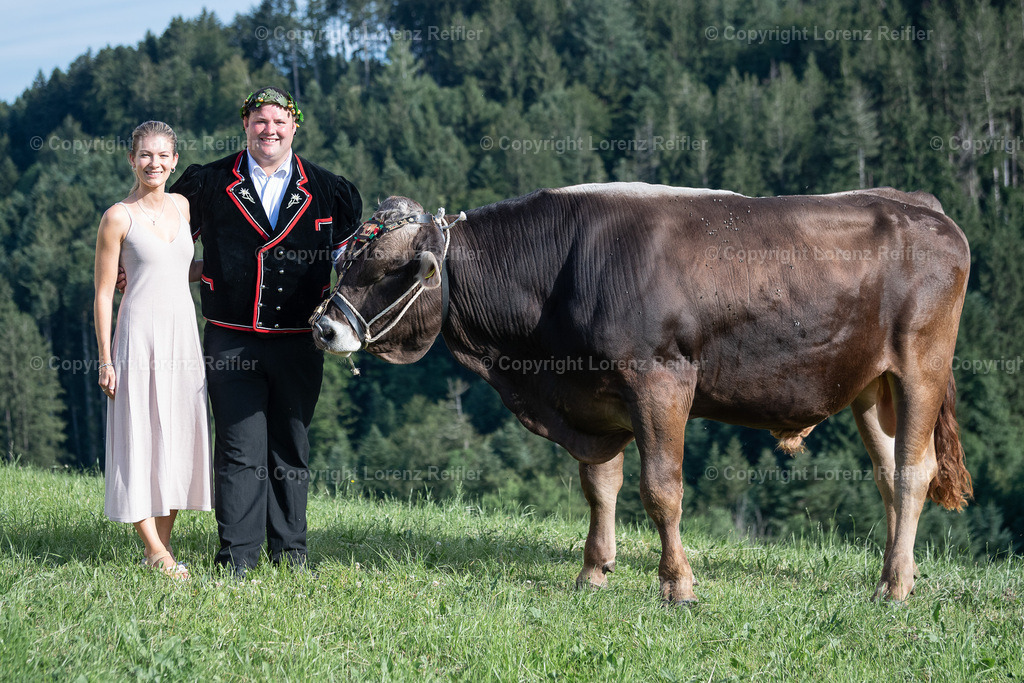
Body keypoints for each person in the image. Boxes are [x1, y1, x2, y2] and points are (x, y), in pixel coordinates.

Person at [169, 87, 362, 577]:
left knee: (290, 447)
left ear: (295, 127)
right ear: (245, 126)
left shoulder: (329, 189)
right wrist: (134, 268)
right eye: (259, 121)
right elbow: (165, 242)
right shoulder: (208, 182)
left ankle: (291, 556)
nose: (269, 130)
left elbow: (350, 264)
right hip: (231, 338)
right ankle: (236, 558)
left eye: (278, 122)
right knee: (238, 448)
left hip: (301, 340)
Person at [94, 120, 213, 579]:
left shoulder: (183, 207)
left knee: (179, 437)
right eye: (146, 155)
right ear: (131, 159)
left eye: (163, 155)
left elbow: (181, 267)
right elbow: (105, 293)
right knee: (138, 438)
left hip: (183, 336)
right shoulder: (117, 217)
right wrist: (106, 359)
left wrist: (242, 264)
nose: (154, 163)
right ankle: (158, 553)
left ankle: (158, 550)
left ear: (175, 160)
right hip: (137, 338)